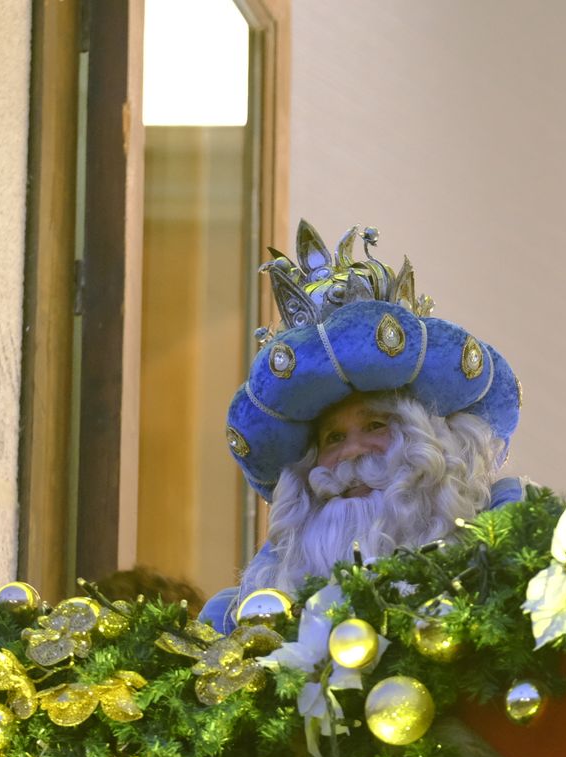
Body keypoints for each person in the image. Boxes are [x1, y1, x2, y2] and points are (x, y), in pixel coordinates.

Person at [201, 221, 524, 632]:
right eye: (333, 438)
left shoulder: (503, 546)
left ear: (430, 443)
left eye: (375, 425)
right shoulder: (253, 609)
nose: (351, 451)